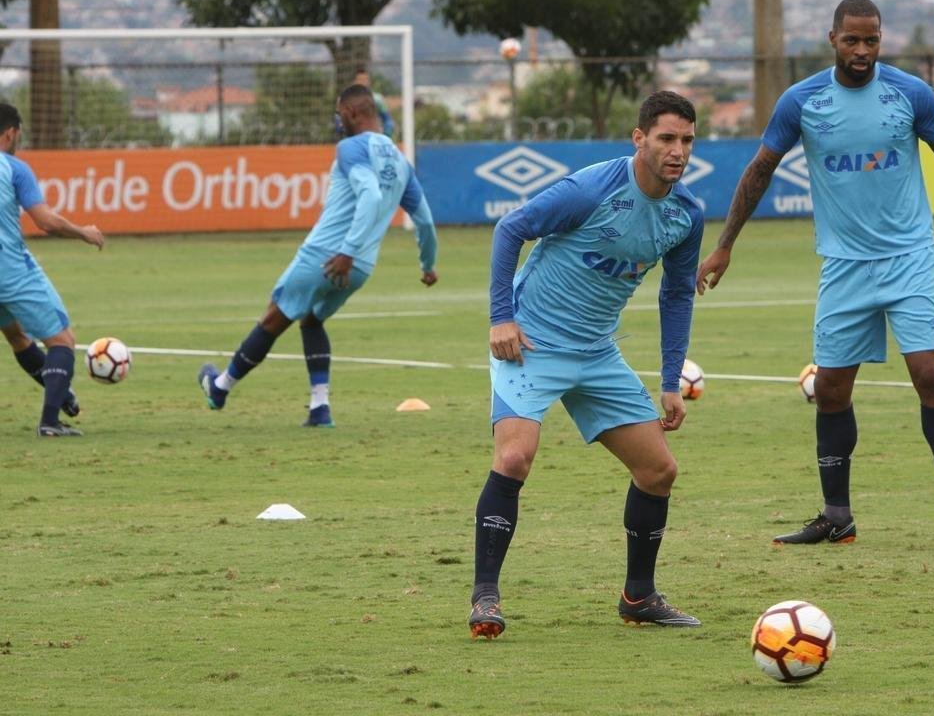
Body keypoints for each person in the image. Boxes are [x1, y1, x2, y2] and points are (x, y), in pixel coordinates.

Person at [695, 0, 934, 548]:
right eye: (852, 40)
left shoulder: (909, 93)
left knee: (929, 374)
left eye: (872, 40)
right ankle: (836, 514)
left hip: (910, 257)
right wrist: (724, 246)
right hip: (843, 266)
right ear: (832, 38)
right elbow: (761, 170)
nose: (862, 51)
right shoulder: (802, 100)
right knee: (832, 388)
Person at [469, 90, 705, 639]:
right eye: (667, 138)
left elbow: (677, 295)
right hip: (530, 342)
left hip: (597, 352)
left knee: (658, 471)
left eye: (687, 141)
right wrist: (502, 318)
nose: (678, 151)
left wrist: (670, 381)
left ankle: (639, 597)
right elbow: (511, 229)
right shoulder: (592, 188)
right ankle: (485, 595)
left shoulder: (686, 213)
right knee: (515, 457)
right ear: (640, 139)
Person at [197, 84, 438, 426]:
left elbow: (369, 195)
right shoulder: (401, 162)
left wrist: (347, 251)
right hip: (362, 267)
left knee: (273, 317)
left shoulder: (351, 147)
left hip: (329, 256)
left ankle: (219, 387)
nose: (338, 121)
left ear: (353, 113)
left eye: (340, 114)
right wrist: (428, 265)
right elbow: (425, 222)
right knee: (311, 319)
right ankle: (319, 407)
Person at [0, 103, 104, 437]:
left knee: (16, 335)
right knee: (62, 340)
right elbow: (45, 221)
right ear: (11, 132)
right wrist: (83, 232)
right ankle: (50, 421)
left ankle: (61, 394)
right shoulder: (15, 169)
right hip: (10, 270)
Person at [353, 68, 396, 139]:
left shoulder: (377, 99)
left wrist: (385, 135)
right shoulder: (348, 100)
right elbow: (339, 122)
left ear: (369, 81)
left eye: (365, 80)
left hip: (374, 138)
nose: (363, 83)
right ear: (355, 81)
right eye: (360, 80)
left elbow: (388, 121)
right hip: (355, 140)